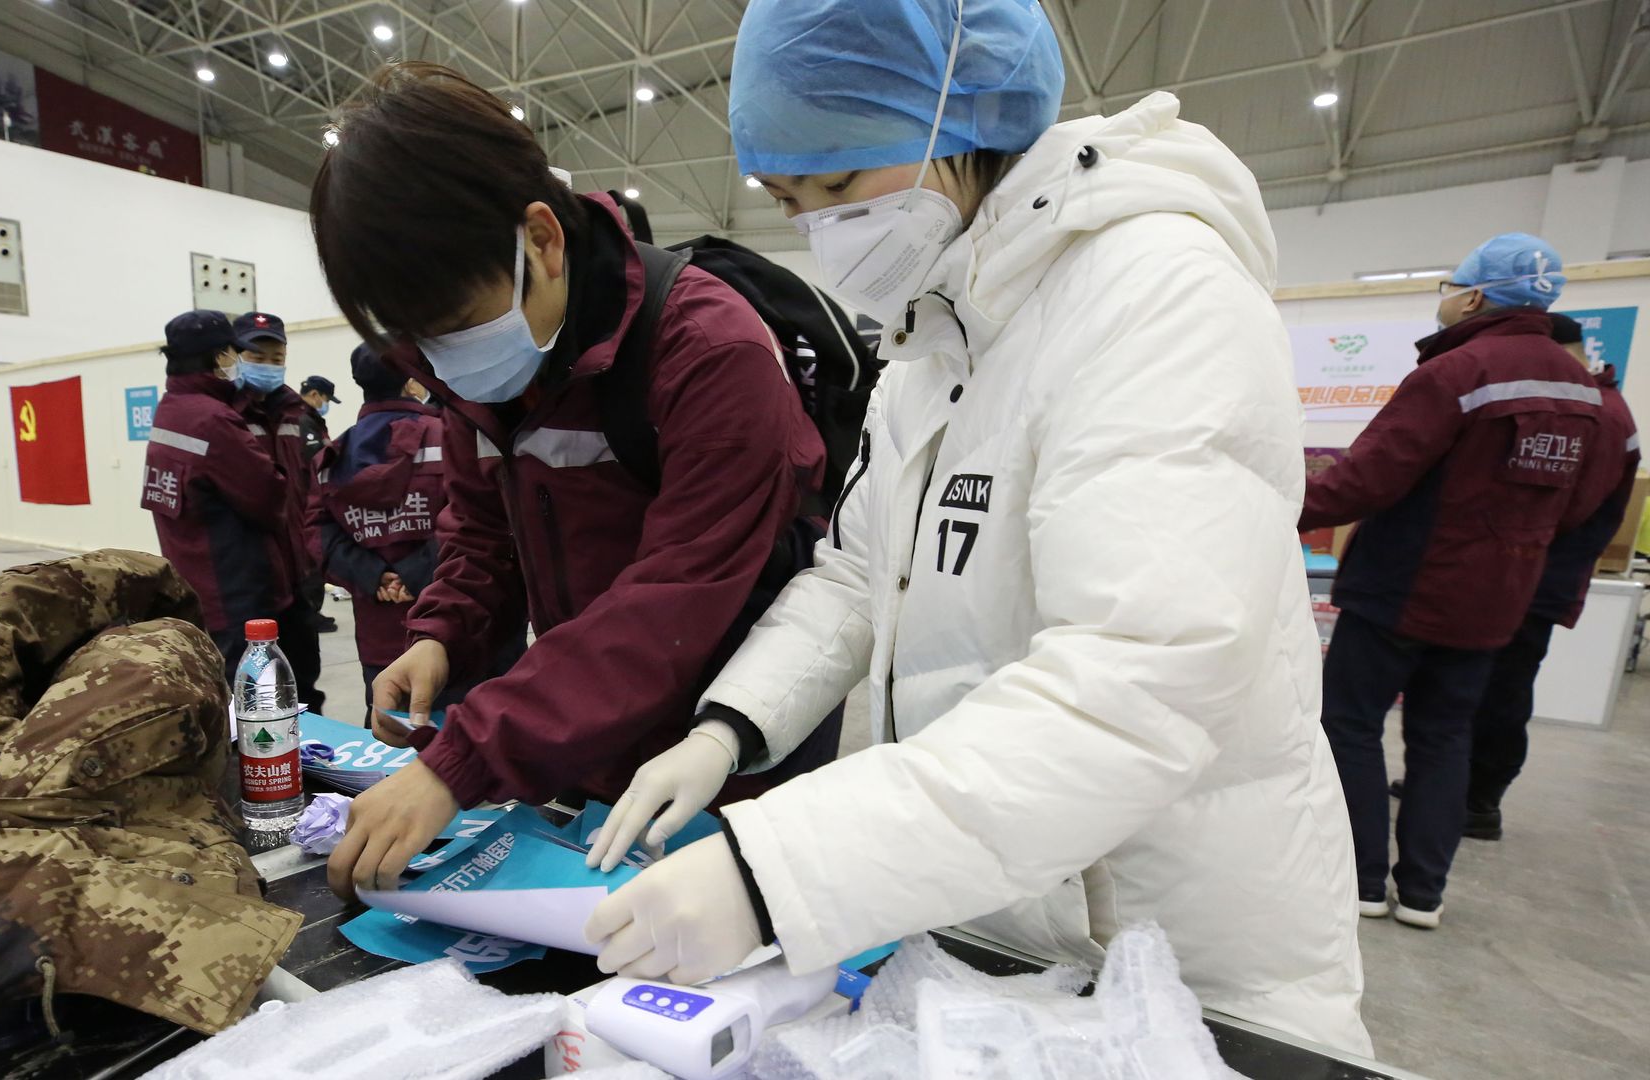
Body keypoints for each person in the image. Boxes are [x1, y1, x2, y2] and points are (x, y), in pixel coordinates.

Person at [577, 0, 1371, 1055]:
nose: (821, 230)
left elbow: (1137, 676)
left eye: (842, 185)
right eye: (790, 201)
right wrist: (728, 729)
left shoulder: (1156, 296)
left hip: (1185, 960)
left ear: (958, 122)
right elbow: (859, 578)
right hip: (999, 924)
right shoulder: (934, 348)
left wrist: (782, 868)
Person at [309, 62, 834, 899]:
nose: (443, 364)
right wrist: (441, 634)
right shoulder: (481, 376)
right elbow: (481, 536)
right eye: (418, 343)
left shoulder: (710, 355)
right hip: (586, 755)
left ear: (543, 240)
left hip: (729, 767)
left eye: (452, 329)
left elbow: (671, 602)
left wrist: (463, 761)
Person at [1298, 233, 1607, 931]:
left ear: (1475, 295)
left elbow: (1370, 477)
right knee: (1444, 737)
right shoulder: (1584, 391)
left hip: (1402, 587)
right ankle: (1426, 894)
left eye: (1450, 285)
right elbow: (1584, 503)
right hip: (1497, 597)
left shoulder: (1457, 371)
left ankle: (1362, 880)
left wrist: (1280, 506)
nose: (1446, 297)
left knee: (1350, 723)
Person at [1462, 312, 1638, 839]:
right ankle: (1456, 782)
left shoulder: (1599, 413)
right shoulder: (1592, 404)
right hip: (1520, 571)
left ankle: (1480, 801)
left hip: (1536, 579)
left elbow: (1569, 509)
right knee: (1476, 688)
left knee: (1504, 691)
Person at [139, 310, 292, 677]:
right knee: (250, 701)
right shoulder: (213, 419)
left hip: (195, 585)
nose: (236, 362)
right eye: (232, 353)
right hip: (234, 591)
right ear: (218, 356)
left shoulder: (171, 409)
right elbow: (269, 495)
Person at [309, 345, 457, 709]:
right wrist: (413, 573)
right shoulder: (449, 440)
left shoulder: (334, 456)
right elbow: (472, 519)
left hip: (377, 630)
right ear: (411, 382)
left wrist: (374, 575)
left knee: (386, 731)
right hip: (446, 622)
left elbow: (315, 532)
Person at [232, 310, 327, 711]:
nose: (269, 367)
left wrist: (314, 556)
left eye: (277, 358)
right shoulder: (224, 415)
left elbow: (316, 487)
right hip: (247, 578)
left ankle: (314, 768)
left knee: (303, 681)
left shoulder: (297, 415)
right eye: (257, 357)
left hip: (298, 573)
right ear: (234, 356)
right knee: (254, 695)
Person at [298, 373, 345, 634]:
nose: (325, 404)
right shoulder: (304, 422)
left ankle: (313, 611)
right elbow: (314, 462)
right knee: (310, 560)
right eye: (326, 399)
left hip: (315, 500)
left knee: (315, 560)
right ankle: (309, 613)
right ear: (315, 395)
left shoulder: (313, 421)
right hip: (306, 501)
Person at [298, 375, 342, 462]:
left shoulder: (313, 419)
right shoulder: (303, 419)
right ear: (314, 394)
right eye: (327, 400)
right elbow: (315, 455)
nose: (327, 404)